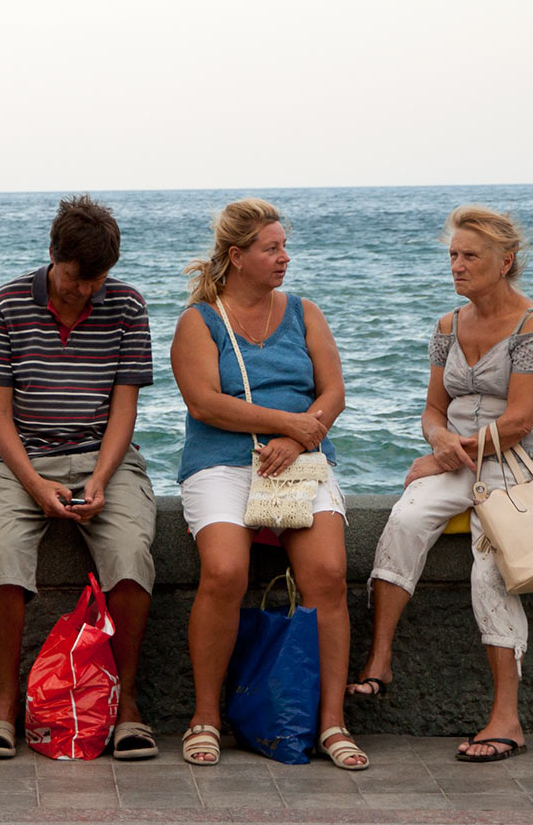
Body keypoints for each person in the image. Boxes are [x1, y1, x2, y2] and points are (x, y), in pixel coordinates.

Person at [348, 206, 533, 763]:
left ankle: (508, 719)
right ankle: (380, 658)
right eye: (453, 254)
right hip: (465, 458)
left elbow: (520, 420)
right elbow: (432, 409)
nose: (457, 265)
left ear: (506, 262)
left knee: (487, 566)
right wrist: (440, 443)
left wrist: (447, 453)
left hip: (526, 463)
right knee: (404, 519)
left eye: (470, 255)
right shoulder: (448, 325)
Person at [170, 198, 366, 771]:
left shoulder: (305, 312)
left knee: (327, 574)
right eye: (271, 248)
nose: (284, 257)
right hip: (224, 463)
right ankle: (206, 715)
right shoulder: (199, 320)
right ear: (237, 256)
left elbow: (333, 393)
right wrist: (287, 425)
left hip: (301, 460)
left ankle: (332, 722)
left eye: (284, 246)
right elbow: (204, 404)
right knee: (225, 571)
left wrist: (301, 440)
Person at [0, 195, 159, 761]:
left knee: (130, 549)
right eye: (77, 278)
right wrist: (33, 484)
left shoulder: (126, 305)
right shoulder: (6, 304)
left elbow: (125, 410)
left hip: (107, 456)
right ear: (53, 256)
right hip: (22, 460)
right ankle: (5, 703)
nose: (87, 292)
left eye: (99, 280)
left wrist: (101, 478)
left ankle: (126, 705)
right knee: (2, 547)